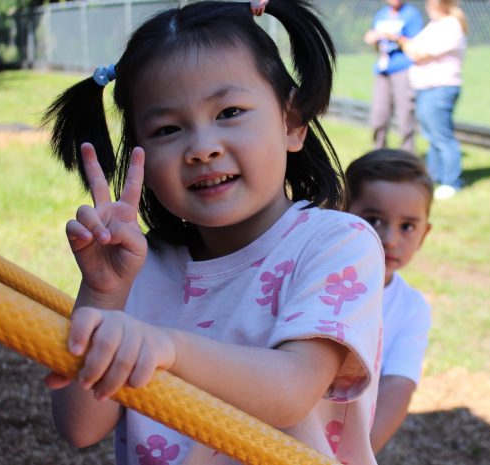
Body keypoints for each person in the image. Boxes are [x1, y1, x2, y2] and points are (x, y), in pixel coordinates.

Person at [40, 1, 385, 464]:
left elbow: (291, 389)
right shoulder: (141, 268)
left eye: (229, 112)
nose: (202, 149)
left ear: (292, 121)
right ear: (138, 153)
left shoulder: (336, 244)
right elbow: (82, 427)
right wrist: (103, 291)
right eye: (167, 129)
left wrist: (168, 348)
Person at [345, 149, 433, 453]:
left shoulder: (411, 308)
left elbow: (398, 384)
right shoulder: (310, 273)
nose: (390, 238)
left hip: (341, 444)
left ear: (424, 234)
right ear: (342, 213)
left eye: (407, 226)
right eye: (374, 219)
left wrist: (358, 454)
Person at [398, 0, 468, 200]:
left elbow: (418, 53)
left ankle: (451, 181)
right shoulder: (435, 25)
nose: (428, 5)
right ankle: (433, 177)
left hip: (440, 89)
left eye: (431, 3)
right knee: (431, 137)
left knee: (442, 137)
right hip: (426, 88)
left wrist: (401, 40)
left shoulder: (451, 25)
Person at [363, 0, 423, 153]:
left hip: (403, 69)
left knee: (405, 118)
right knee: (378, 116)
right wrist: (373, 39)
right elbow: (379, 45)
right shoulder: (381, 15)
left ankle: (408, 158)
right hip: (383, 71)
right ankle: (379, 155)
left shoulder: (411, 14)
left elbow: (416, 46)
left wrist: (395, 37)